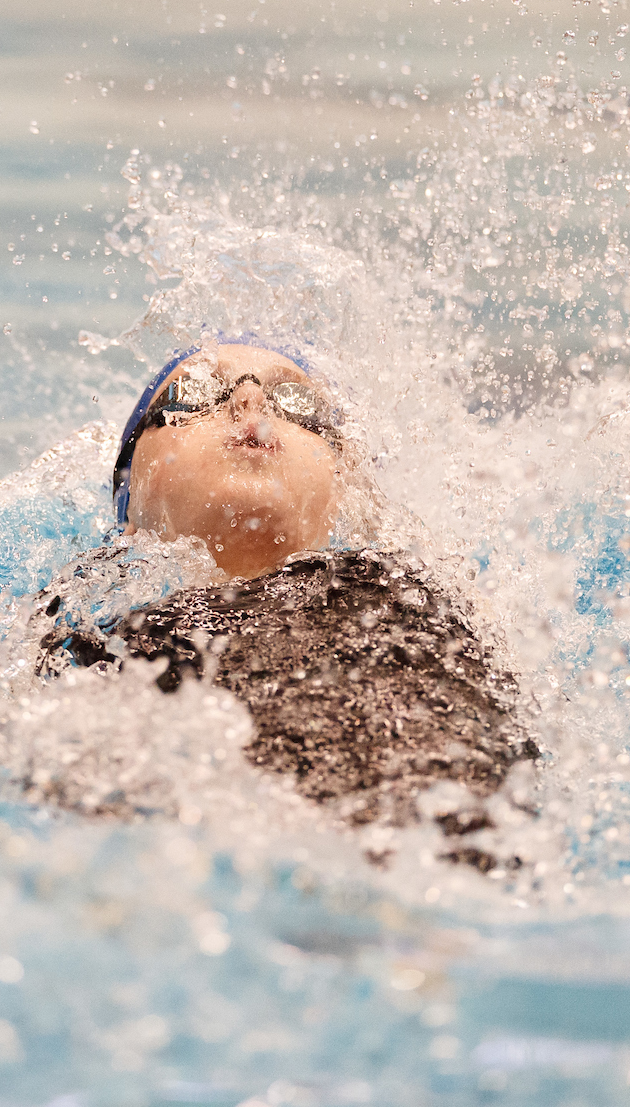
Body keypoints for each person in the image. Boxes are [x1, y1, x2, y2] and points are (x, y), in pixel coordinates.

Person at [33, 340, 539, 869]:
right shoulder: (85, 638)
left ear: (345, 490)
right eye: (193, 394)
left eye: (296, 400)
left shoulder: (405, 598)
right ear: (130, 499)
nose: (251, 402)